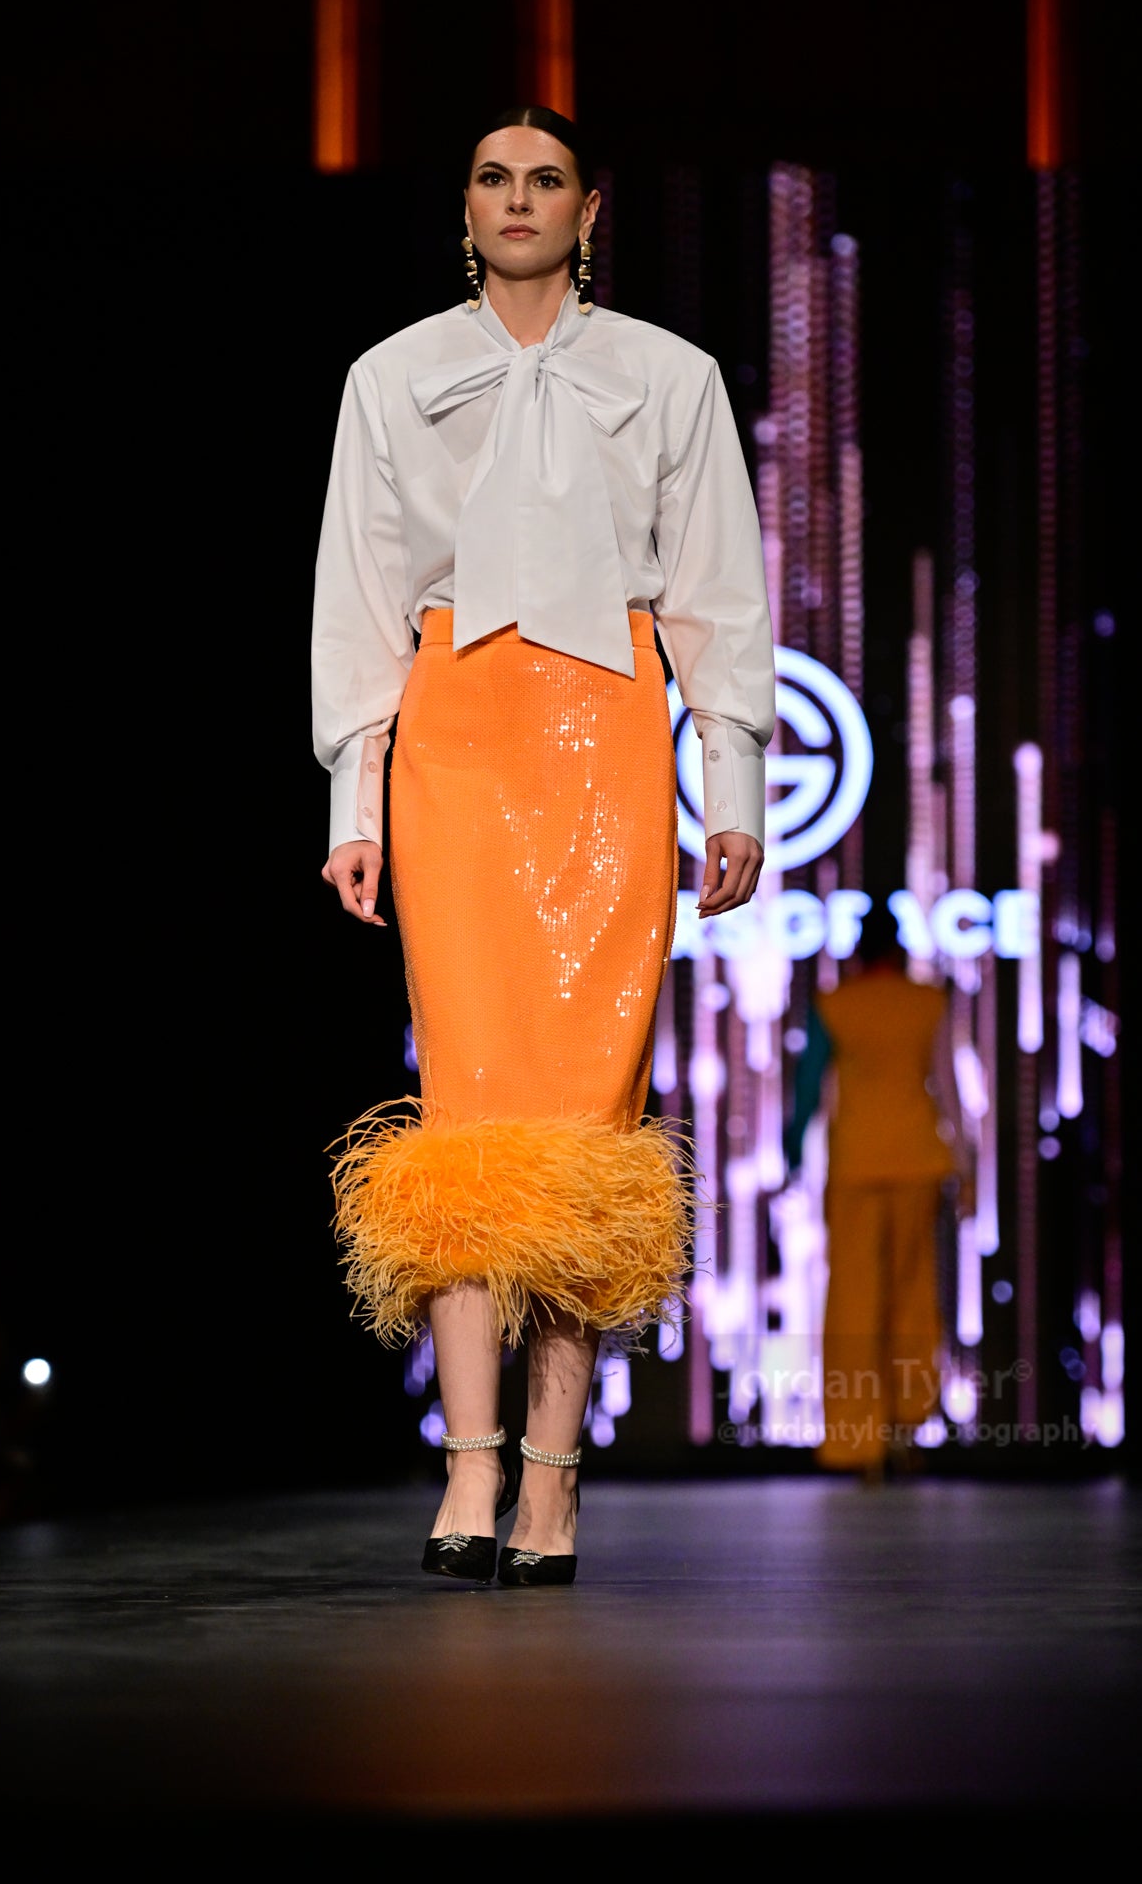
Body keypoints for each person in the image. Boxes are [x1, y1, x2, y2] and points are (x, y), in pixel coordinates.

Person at [312, 106, 775, 1584]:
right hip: (453, 742)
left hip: (608, 740)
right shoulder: (392, 375)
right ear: (466, 207)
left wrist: (735, 784)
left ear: (590, 208)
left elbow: (718, 592)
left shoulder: (671, 375)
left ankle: (555, 1484)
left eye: (547, 179)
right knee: (464, 1108)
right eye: (494, 178)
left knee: (585, 1118)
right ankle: (468, 1466)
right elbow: (358, 599)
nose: (519, 199)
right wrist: (355, 806)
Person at [784, 894, 971, 1482]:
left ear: (859, 951)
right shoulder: (927, 1002)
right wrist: (966, 1164)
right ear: (900, 947)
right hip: (919, 1160)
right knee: (913, 1295)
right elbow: (947, 1084)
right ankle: (907, 1429)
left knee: (854, 1301)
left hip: (857, 1164)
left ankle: (857, 1442)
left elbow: (808, 1087)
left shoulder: (836, 1004)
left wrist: (793, 1153)